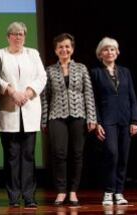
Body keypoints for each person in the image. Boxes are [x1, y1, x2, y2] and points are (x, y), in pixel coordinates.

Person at [0, 22, 46, 208]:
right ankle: (14, 197)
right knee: (11, 157)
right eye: (14, 34)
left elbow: (42, 77)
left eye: (21, 34)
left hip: (29, 110)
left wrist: (29, 92)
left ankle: (29, 196)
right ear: (8, 37)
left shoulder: (33, 54)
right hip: (8, 112)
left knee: (29, 156)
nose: (18, 37)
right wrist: (11, 91)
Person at [41, 33, 97, 206]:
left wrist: (92, 117)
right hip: (56, 116)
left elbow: (88, 93)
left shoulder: (81, 68)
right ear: (55, 50)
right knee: (59, 153)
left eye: (67, 46)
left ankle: (73, 191)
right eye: (60, 47)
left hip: (79, 115)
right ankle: (61, 191)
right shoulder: (49, 70)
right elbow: (45, 97)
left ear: (72, 49)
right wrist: (44, 119)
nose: (64, 49)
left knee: (77, 153)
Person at [90, 37, 137, 206]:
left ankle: (119, 191)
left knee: (123, 157)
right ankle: (109, 191)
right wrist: (97, 122)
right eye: (105, 49)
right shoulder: (95, 72)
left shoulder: (125, 72)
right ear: (100, 54)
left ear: (117, 53)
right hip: (106, 120)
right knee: (112, 154)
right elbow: (93, 99)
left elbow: (132, 96)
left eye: (112, 49)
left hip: (125, 120)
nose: (109, 52)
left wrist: (135, 120)